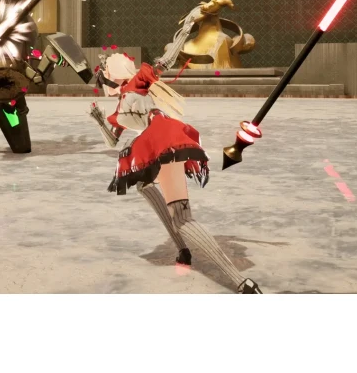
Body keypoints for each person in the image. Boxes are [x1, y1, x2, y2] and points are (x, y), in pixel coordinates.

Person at [90, 53, 262, 294]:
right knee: (144, 185)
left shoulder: (136, 85)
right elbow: (111, 141)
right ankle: (183, 249)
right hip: (156, 140)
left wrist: (183, 35)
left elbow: (162, 64)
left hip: (163, 139)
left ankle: (241, 282)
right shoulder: (122, 103)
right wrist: (99, 122)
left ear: (113, 74)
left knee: (182, 218)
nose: (102, 83)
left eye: (104, 75)